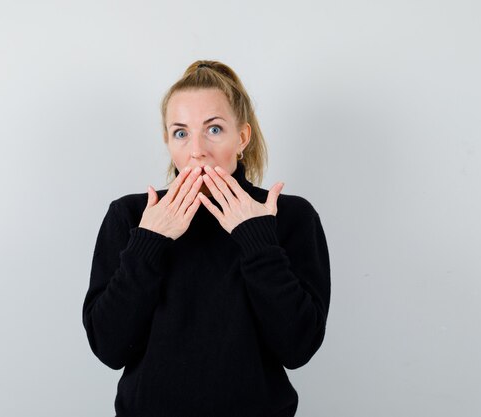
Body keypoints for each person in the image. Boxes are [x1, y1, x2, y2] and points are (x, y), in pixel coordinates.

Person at [82, 60, 331, 417]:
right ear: (168, 141)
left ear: (241, 137)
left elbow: (298, 348)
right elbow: (109, 347)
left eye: (213, 129)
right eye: (181, 133)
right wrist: (148, 242)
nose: (196, 149)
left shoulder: (288, 216)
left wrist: (257, 240)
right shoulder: (132, 216)